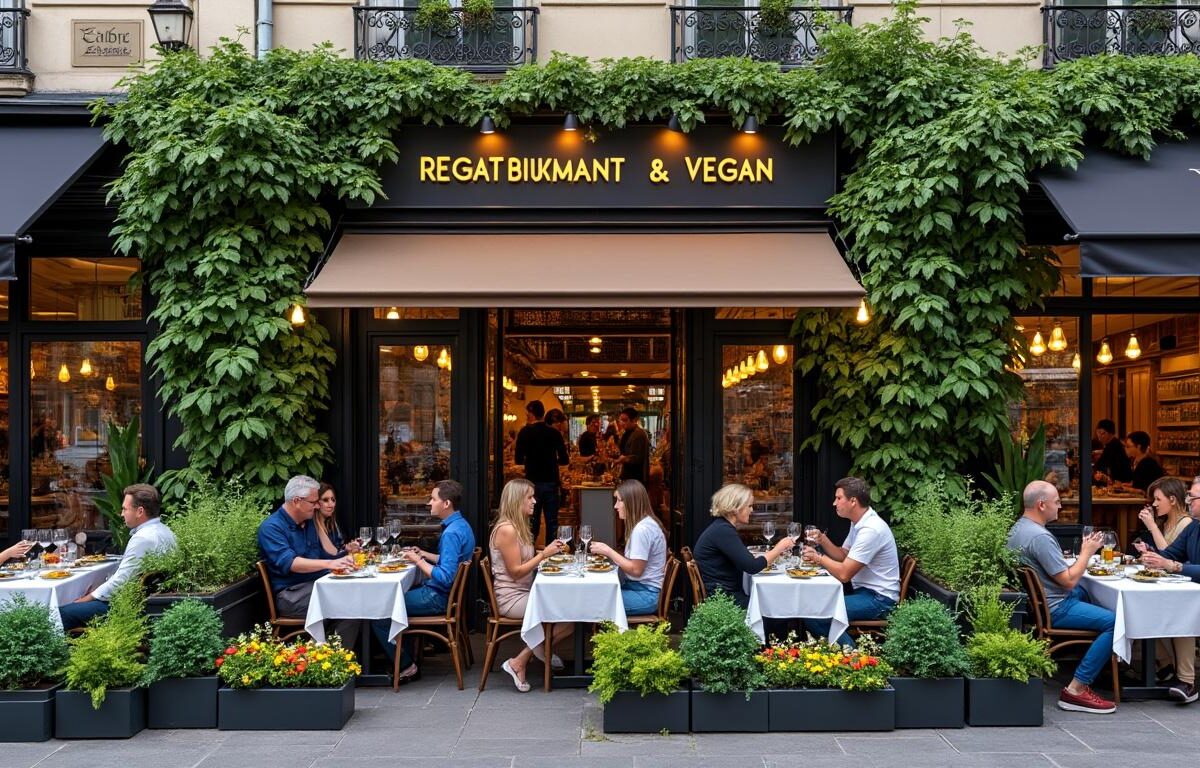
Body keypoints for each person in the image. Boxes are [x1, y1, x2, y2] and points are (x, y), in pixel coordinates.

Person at [1009, 480, 1117, 713]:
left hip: (1039, 604)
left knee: (1088, 592)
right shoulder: (1040, 537)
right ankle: (1077, 688)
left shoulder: (1018, 528)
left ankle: (1101, 661)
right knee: (1116, 622)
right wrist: (1087, 552)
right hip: (1056, 607)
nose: (1060, 506)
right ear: (1041, 505)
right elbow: (1068, 580)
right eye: (1057, 502)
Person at [371, 479, 475, 683]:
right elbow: (450, 561)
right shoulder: (461, 525)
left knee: (380, 610)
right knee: (396, 599)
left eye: (433, 499)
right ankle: (406, 657)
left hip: (437, 597)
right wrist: (424, 554)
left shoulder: (451, 533)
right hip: (446, 596)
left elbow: (445, 577)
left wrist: (418, 561)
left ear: (446, 503)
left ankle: (406, 665)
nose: (429, 503)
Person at [60, 483, 178, 631]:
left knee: (61, 613)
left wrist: (87, 599)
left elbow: (121, 582)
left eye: (125, 509)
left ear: (140, 511)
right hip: (152, 604)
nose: (122, 514)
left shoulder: (142, 538)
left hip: (129, 608)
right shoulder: (167, 531)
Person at [257, 475, 359, 645]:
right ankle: (335, 656)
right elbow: (291, 563)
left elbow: (326, 556)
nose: (318, 506)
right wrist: (330, 564)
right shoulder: (271, 528)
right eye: (313, 502)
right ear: (297, 501)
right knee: (351, 604)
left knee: (357, 598)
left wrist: (346, 558)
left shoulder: (309, 522)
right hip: (292, 595)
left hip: (317, 585)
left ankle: (335, 654)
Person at [489, 478, 570, 691]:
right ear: (517, 500)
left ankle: (534, 653)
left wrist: (549, 551)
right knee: (570, 614)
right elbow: (516, 572)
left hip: (525, 592)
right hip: (511, 598)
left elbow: (526, 560)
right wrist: (544, 554)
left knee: (572, 611)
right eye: (530, 497)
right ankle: (524, 659)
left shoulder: (519, 527)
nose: (535, 501)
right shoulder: (507, 530)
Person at [801, 477, 900, 647]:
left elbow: (844, 574)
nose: (834, 503)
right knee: (815, 606)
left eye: (838, 498)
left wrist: (819, 558)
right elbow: (843, 555)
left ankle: (852, 657)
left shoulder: (871, 529)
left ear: (853, 501)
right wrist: (822, 539)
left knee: (816, 613)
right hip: (866, 593)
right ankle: (844, 655)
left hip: (880, 599)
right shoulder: (859, 523)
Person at [1131, 476, 1196, 702]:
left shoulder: (1187, 524)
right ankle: (1166, 665)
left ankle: (1186, 680)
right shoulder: (1183, 525)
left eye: (1158, 499)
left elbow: (1172, 558)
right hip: (1178, 586)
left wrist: (1151, 527)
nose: (1154, 504)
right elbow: (1169, 554)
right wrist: (1150, 552)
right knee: (1139, 609)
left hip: (1187, 588)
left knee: (1181, 613)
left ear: (1173, 499)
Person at [693, 483, 796, 609]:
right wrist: (779, 548)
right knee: (779, 606)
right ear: (735, 508)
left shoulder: (721, 527)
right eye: (749, 506)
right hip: (725, 600)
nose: (752, 510)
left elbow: (746, 561)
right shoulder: (723, 531)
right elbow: (752, 566)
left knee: (775, 602)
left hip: (724, 595)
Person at [589, 480, 667, 616]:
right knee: (593, 594)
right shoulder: (645, 524)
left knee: (591, 600)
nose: (615, 506)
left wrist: (608, 551)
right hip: (638, 589)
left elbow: (636, 570)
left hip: (645, 595)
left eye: (619, 501)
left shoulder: (642, 530)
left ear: (631, 502)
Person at [514, 401, 568, 541]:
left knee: (532, 521)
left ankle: (530, 550)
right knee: (552, 522)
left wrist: (530, 461)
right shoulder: (554, 433)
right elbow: (564, 460)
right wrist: (551, 461)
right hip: (551, 481)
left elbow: (518, 459)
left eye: (527, 413)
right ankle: (552, 551)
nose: (527, 416)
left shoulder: (524, 432)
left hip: (532, 482)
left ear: (531, 414)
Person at [314, 483, 361, 557]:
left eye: (333, 500)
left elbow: (338, 550)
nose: (331, 505)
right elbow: (332, 554)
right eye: (325, 500)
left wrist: (348, 548)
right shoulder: (312, 526)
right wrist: (346, 551)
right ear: (316, 503)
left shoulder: (331, 524)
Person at [615, 407, 650, 484]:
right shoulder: (626, 432)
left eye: (625, 420)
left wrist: (623, 459)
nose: (622, 423)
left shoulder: (639, 434)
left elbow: (637, 458)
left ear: (634, 420)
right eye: (621, 420)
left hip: (635, 477)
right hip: (627, 475)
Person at [1093, 419, 1132, 485]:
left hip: (1120, 484)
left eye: (1102, 433)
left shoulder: (1115, 446)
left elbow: (1116, 469)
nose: (1099, 436)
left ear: (1111, 433)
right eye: (1098, 433)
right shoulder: (1110, 445)